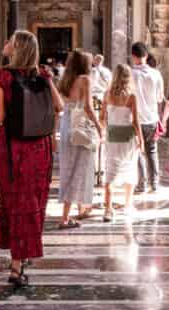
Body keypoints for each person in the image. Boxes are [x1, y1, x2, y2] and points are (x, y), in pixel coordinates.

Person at [0, 30, 63, 287]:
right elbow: (59, 106)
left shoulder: (1, 77)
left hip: (12, 148)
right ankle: (23, 255)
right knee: (33, 201)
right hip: (39, 149)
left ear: (17, 48)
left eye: (9, 40)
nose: (5, 43)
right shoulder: (42, 75)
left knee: (14, 202)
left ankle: (16, 266)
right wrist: (44, 78)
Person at [57, 50, 101, 228]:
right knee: (80, 168)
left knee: (69, 168)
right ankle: (66, 217)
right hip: (80, 124)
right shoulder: (85, 80)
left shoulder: (65, 80)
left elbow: (63, 104)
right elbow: (88, 108)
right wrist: (99, 126)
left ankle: (78, 209)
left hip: (67, 123)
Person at [101, 64, 143, 221]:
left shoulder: (107, 94)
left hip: (112, 136)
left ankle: (108, 209)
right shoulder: (131, 96)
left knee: (110, 170)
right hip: (127, 136)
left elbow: (103, 118)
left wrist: (104, 132)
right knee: (130, 169)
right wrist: (141, 139)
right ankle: (127, 205)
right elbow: (136, 121)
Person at [130, 42, 164, 194]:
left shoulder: (130, 74)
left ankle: (142, 184)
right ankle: (154, 183)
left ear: (133, 56)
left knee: (137, 151)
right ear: (146, 55)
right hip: (151, 117)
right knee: (152, 151)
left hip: (134, 119)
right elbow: (159, 98)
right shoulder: (156, 74)